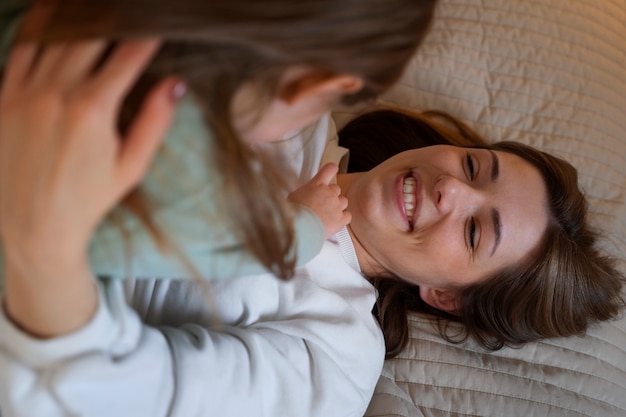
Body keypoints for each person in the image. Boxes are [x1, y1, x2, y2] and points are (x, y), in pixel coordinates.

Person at [1, 105, 624, 416]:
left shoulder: (341, 355)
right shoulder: (299, 113)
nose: (451, 190)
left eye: (473, 234)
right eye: (472, 167)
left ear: (447, 296)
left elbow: (137, 395)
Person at [0, 0, 438, 284]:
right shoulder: (188, 178)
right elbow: (253, 244)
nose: (449, 191)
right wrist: (306, 224)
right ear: (313, 85)